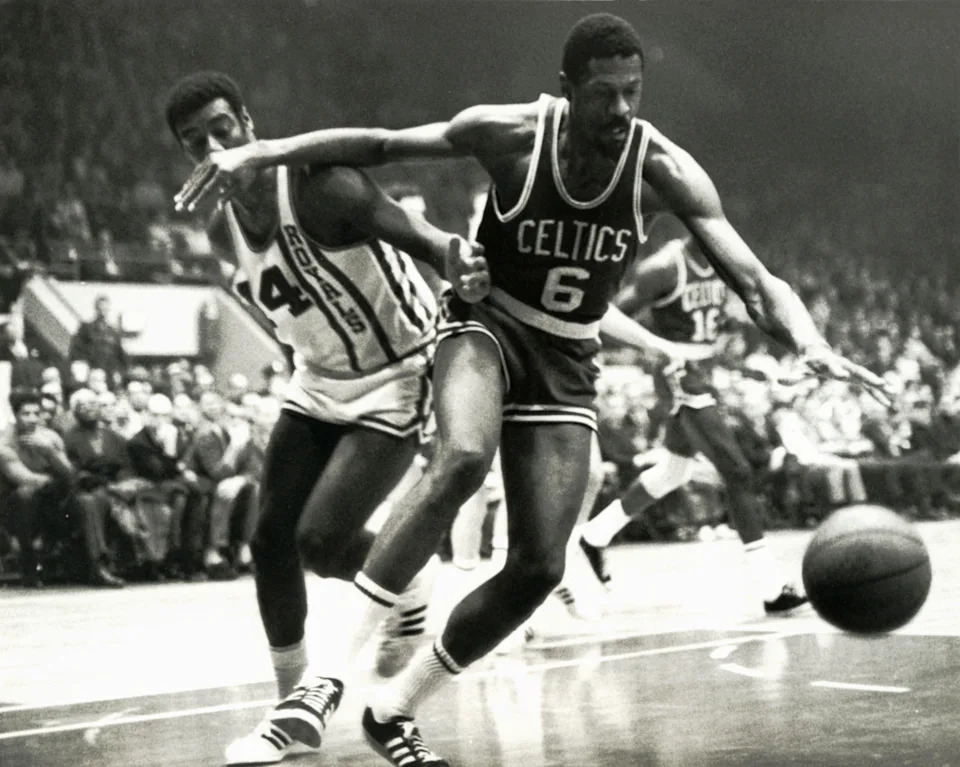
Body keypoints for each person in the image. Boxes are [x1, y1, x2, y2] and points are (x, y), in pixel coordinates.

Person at [175, 15, 888, 765]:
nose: (619, 110)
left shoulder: (665, 169)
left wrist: (809, 341)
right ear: (567, 90)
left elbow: (756, 279)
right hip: (486, 324)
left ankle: (394, 709)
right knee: (462, 459)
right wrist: (270, 150)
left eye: (633, 93)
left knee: (541, 565)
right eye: (604, 94)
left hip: (568, 357)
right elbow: (381, 144)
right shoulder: (510, 134)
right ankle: (319, 688)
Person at [164, 71, 489, 764]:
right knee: (269, 536)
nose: (214, 146)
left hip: (398, 372)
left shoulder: (316, 186)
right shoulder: (224, 235)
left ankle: (411, 578)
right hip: (317, 381)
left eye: (223, 129)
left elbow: (414, 233)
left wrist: (450, 256)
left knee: (317, 538)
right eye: (197, 142)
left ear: (249, 125)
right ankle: (289, 708)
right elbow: (291, 319)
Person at [577, 219, 808, 611]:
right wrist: (656, 347)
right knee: (735, 471)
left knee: (673, 471)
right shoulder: (664, 268)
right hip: (677, 371)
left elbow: (747, 304)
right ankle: (771, 587)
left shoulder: (722, 264)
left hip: (704, 367)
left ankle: (595, 535)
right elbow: (610, 314)